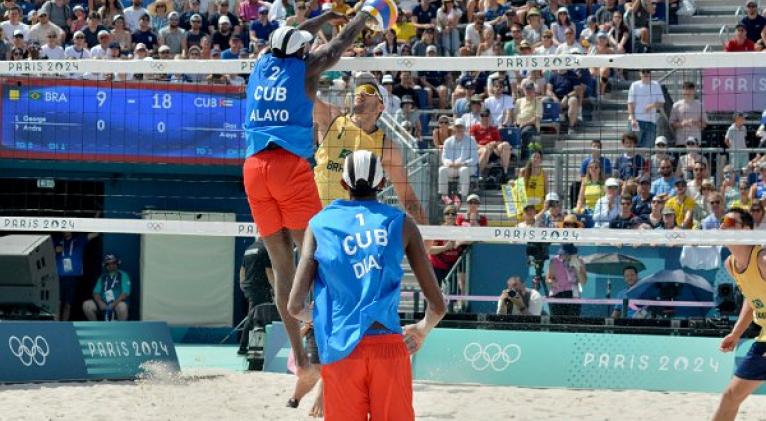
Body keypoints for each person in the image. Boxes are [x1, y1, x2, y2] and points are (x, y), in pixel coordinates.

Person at [241, 7, 375, 394]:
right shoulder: (308, 68)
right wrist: (363, 15)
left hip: (253, 168)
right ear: (302, 52)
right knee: (320, 259)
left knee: (284, 267)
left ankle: (300, 361)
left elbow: (292, 34)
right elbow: (340, 45)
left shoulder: (262, 62)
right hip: (289, 168)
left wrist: (320, 17)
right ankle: (331, 349)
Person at [287, 150, 446, 421]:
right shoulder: (401, 223)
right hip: (388, 346)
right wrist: (421, 330)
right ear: (382, 184)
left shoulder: (319, 224)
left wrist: (328, 318)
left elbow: (294, 306)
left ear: (343, 185)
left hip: (341, 350)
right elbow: (438, 306)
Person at [313, 81, 426, 220]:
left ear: (380, 106)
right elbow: (304, 92)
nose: (361, 92)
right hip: (319, 219)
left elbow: (408, 198)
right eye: (358, 88)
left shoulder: (386, 147)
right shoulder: (332, 118)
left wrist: (426, 232)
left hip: (355, 224)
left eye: (368, 90)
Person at [713, 208, 766, 421]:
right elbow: (751, 298)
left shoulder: (762, 259)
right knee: (730, 397)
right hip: (764, 337)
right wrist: (736, 333)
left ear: (745, 229)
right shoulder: (731, 264)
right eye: (721, 222)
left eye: (729, 222)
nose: (722, 226)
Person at [238, 238, 274, 355]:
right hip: (259, 287)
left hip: (249, 286)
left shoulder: (249, 249)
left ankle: (252, 345)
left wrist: (242, 284)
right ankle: (243, 346)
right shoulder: (265, 249)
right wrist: (276, 288)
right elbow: (269, 271)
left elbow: (242, 270)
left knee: (254, 314)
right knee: (254, 315)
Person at [54, 232, 97, 321]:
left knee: (68, 304)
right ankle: (55, 325)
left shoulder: (79, 240)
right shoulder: (56, 241)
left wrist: (98, 219)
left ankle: (64, 326)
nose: (66, 231)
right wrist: (53, 250)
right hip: (58, 277)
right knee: (57, 303)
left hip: (73, 278)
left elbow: (95, 234)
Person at [438, 117, 479, 201]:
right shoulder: (448, 141)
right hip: (452, 166)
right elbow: (444, 157)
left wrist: (463, 163)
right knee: (442, 169)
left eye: (461, 127)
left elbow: (475, 159)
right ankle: (444, 195)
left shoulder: (472, 140)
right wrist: (449, 163)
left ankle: (463, 196)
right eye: (457, 127)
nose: (459, 129)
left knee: (463, 170)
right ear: (454, 128)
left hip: (468, 167)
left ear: (464, 128)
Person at [82, 254, 131, 321]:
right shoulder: (102, 277)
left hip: (117, 303)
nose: (111, 266)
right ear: (105, 266)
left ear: (117, 264)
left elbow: (125, 294)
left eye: (113, 263)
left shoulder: (123, 275)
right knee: (87, 305)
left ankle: (121, 329)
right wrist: (100, 302)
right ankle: (96, 328)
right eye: (108, 264)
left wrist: (113, 304)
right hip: (103, 303)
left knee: (122, 307)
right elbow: (95, 293)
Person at [546, 243, 586, 317]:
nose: (562, 256)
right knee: (557, 323)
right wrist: (554, 283)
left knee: (572, 323)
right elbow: (548, 279)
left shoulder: (579, 261)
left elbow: (583, 282)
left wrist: (577, 268)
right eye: (561, 253)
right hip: (557, 294)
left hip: (574, 295)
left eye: (565, 254)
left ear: (572, 254)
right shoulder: (554, 260)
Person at [627, 69, 665, 148]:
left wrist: (651, 106)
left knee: (647, 150)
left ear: (650, 73)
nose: (645, 73)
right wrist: (633, 119)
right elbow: (630, 103)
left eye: (647, 71)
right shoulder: (635, 85)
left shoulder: (656, 85)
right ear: (639, 73)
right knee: (633, 147)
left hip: (651, 122)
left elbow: (661, 102)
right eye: (643, 71)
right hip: (637, 121)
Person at [669, 81, 707, 147]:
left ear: (694, 91)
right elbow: (671, 123)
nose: (688, 92)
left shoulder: (700, 105)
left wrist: (695, 122)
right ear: (683, 91)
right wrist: (681, 124)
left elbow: (705, 124)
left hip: (695, 142)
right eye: (686, 89)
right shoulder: (676, 105)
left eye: (690, 89)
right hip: (681, 142)